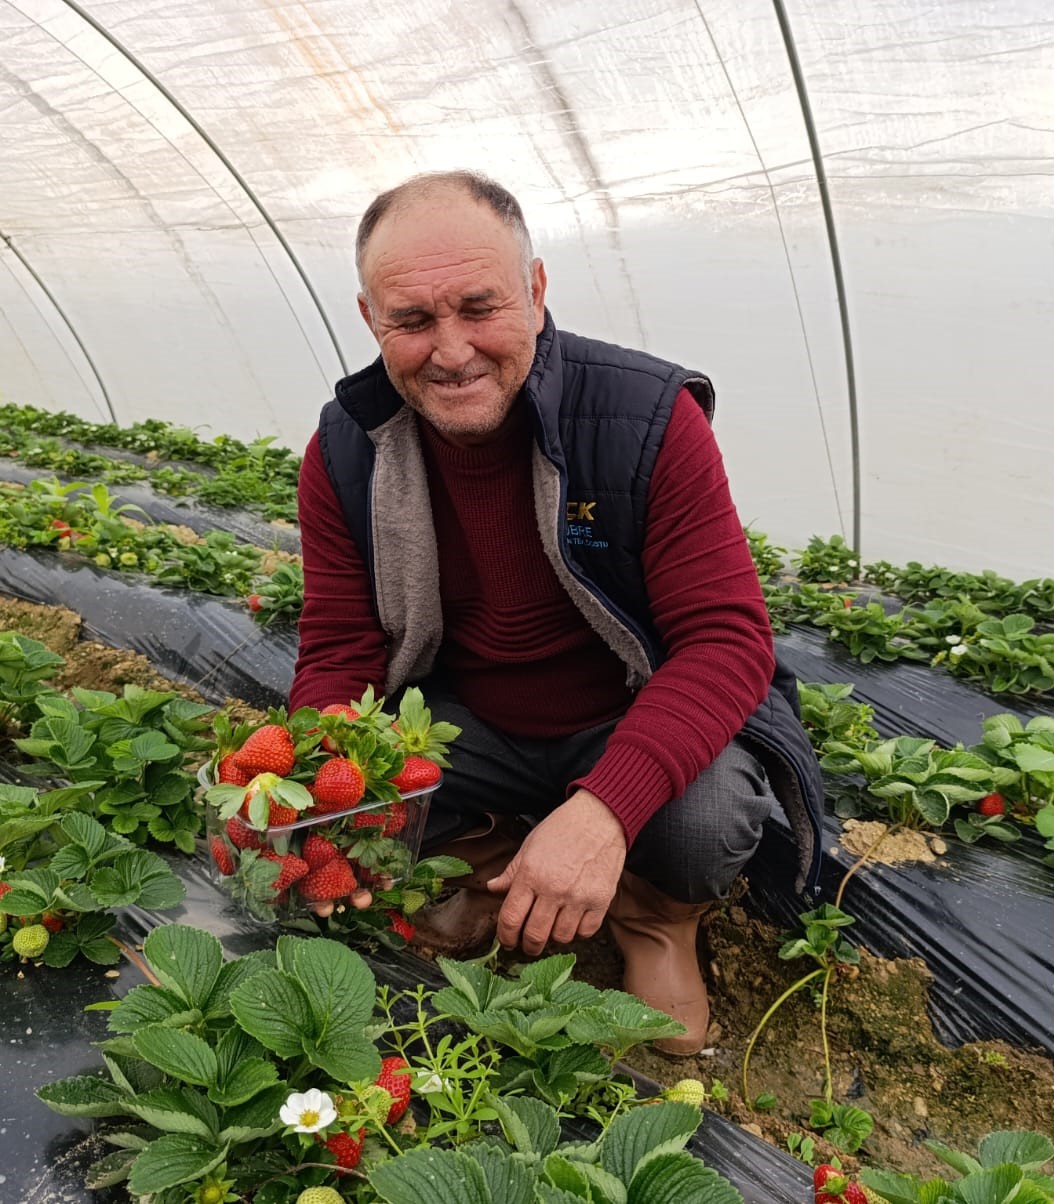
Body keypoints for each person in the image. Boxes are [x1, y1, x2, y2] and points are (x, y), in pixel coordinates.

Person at [288, 170, 823, 1055]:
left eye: (479, 306)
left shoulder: (647, 418)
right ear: (369, 317)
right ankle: (496, 853)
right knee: (359, 807)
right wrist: (324, 786)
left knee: (704, 824)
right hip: (467, 726)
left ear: (535, 292)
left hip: (625, 710)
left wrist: (606, 809)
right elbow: (341, 648)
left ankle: (655, 919)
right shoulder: (347, 451)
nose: (451, 349)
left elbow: (727, 640)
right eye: (412, 321)